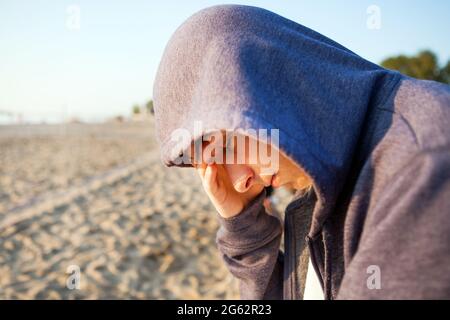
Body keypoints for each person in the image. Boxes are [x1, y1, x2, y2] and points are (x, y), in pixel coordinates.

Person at [152, 5, 450, 299]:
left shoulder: (422, 164)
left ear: (263, 85)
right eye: (212, 163)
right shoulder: (320, 178)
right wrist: (243, 226)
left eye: (228, 145)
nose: (240, 181)